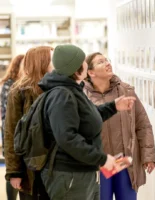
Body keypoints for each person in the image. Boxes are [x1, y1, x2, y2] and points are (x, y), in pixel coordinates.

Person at [38, 44, 135, 200]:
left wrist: (113, 107)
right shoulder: (62, 95)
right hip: (70, 176)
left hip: (80, 173)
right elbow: (67, 138)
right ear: (76, 68)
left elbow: (87, 118)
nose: (85, 63)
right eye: (83, 61)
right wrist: (102, 158)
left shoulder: (72, 89)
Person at [84, 52, 155, 200]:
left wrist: (148, 156)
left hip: (124, 161)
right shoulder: (82, 96)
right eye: (100, 62)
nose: (107, 63)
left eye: (107, 60)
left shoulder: (125, 91)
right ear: (90, 72)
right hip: (99, 164)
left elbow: (142, 124)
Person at [4, 46, 54, 200]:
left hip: (56, 165)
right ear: (41, 62)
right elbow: (11, 132)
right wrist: (14, 172)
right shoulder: (19, 91)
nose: (57, 62)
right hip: (30, 167)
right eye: (53, 59)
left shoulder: (58, 87)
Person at [0, 54, 24, 200]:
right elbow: (8, 112)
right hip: (11, 131)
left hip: (15, 130)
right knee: (13, 168)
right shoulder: (9, 84)